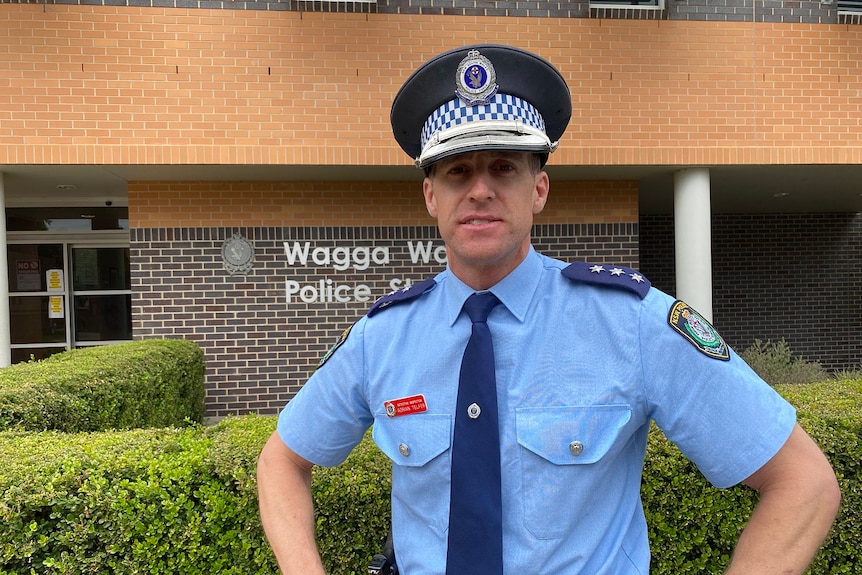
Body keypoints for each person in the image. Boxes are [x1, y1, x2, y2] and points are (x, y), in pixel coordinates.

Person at [257, 44, 840, 575]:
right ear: (431, 196)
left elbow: (804, 483)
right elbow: (282, 462)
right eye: (458, 170)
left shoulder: (630, 322)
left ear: (538, 189)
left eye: (504, 167)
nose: (480, 189)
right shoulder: (383, 335)